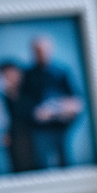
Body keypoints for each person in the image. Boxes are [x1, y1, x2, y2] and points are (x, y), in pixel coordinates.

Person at [21, 36, 84, 169]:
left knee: (65, 161)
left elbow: (76, 99)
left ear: (51, 50)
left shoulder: (62, 71)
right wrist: (37, 112)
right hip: (39, 127)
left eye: (44, 50)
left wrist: (62, 107)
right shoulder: (28, 75)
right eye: (38, 51)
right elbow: (24, 101)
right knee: (41, 163)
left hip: (60, 125)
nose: (42, 54)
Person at [0, 62, 37, 173]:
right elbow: (2, 120)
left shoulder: (29, 92)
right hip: (15, 137)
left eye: (14, 73)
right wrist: (3, 133)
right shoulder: (1, 97)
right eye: (7, 75)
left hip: (35, 135)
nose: (13, 77)